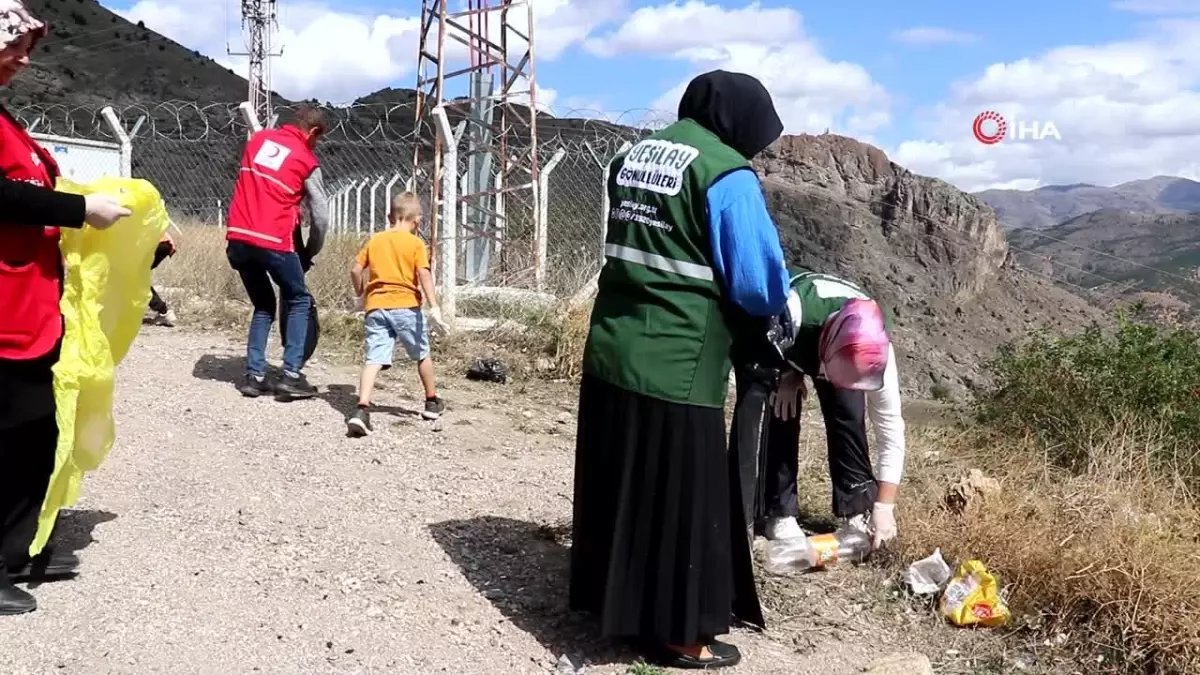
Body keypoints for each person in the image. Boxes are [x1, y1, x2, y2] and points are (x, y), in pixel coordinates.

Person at [570, 70, 791, 670]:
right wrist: (775, 308)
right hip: (679, 358)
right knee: (680, 497)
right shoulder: (725, 173)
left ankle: (607, 603)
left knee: (622, 479)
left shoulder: (633, 154)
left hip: (612, 345)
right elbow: (756, 281)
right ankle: (678, 632)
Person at [0, 0, 132, 615]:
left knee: (34, 430)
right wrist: (79, 212)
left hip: (27, 306)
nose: (25, 58)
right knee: (13, 433)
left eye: (30, 46)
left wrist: (136, 236)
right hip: (5, 308)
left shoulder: (9, 124)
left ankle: (13, 551)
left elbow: (41, 197)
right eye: (14, 45)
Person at [757, 268, 907, 548]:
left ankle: (856, 505)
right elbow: (762, 346)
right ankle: (780, 510)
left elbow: (890, 429)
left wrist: (884, 505)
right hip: (797, 339)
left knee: (849, 414)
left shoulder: (879, 351)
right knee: (782, 405)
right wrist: (788, 372)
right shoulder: (792, 314)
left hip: (839, 342)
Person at [225, 105, 330, 401]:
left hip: (238, 238)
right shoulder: (306, 159)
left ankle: (254, 376)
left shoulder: (257, 141)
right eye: (318, 139)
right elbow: (320, 215)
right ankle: (291, 376)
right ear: (313, 132)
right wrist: (310, 250)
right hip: (273, 240)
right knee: (298, 299)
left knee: (263, 305)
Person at [347, 192, 450, 436]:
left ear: (389, 217)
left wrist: (361, 294)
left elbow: (355, 269)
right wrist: (434, 306)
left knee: (374, 357)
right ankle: (431, 401)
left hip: (376, 307)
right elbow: (424, 274)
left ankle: (362, 409)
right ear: (418, 221)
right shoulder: (415, 243)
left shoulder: (376, 240)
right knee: (422, 353)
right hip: (406, 307)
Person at [146, 230, 177, 326]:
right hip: (164, 243)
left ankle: (163, 311)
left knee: (134, 279)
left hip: (155, 243)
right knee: (135, 278)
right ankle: (163, 311)